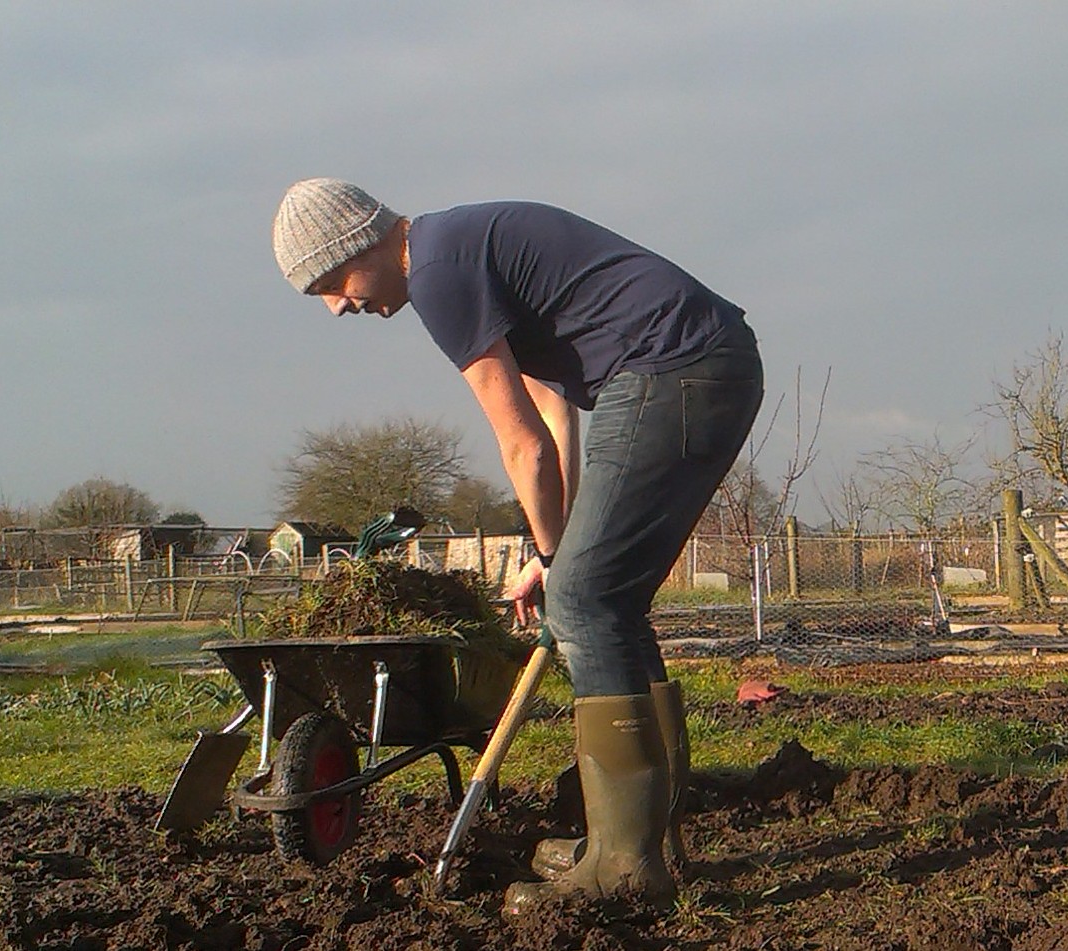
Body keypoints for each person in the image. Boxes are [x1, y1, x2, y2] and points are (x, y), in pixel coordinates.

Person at [272, 179, 763, 912]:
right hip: (699, 366)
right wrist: (552, 550)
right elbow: (553, 414)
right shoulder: (458, 250)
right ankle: (643, 842)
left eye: (329, 282)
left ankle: (624, 864)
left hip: (674, 371)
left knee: (589, 599)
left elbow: (522, 445)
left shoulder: (437, 273)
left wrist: (557, 562)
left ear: (358, 244)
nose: (338, 305)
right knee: (604, 598)